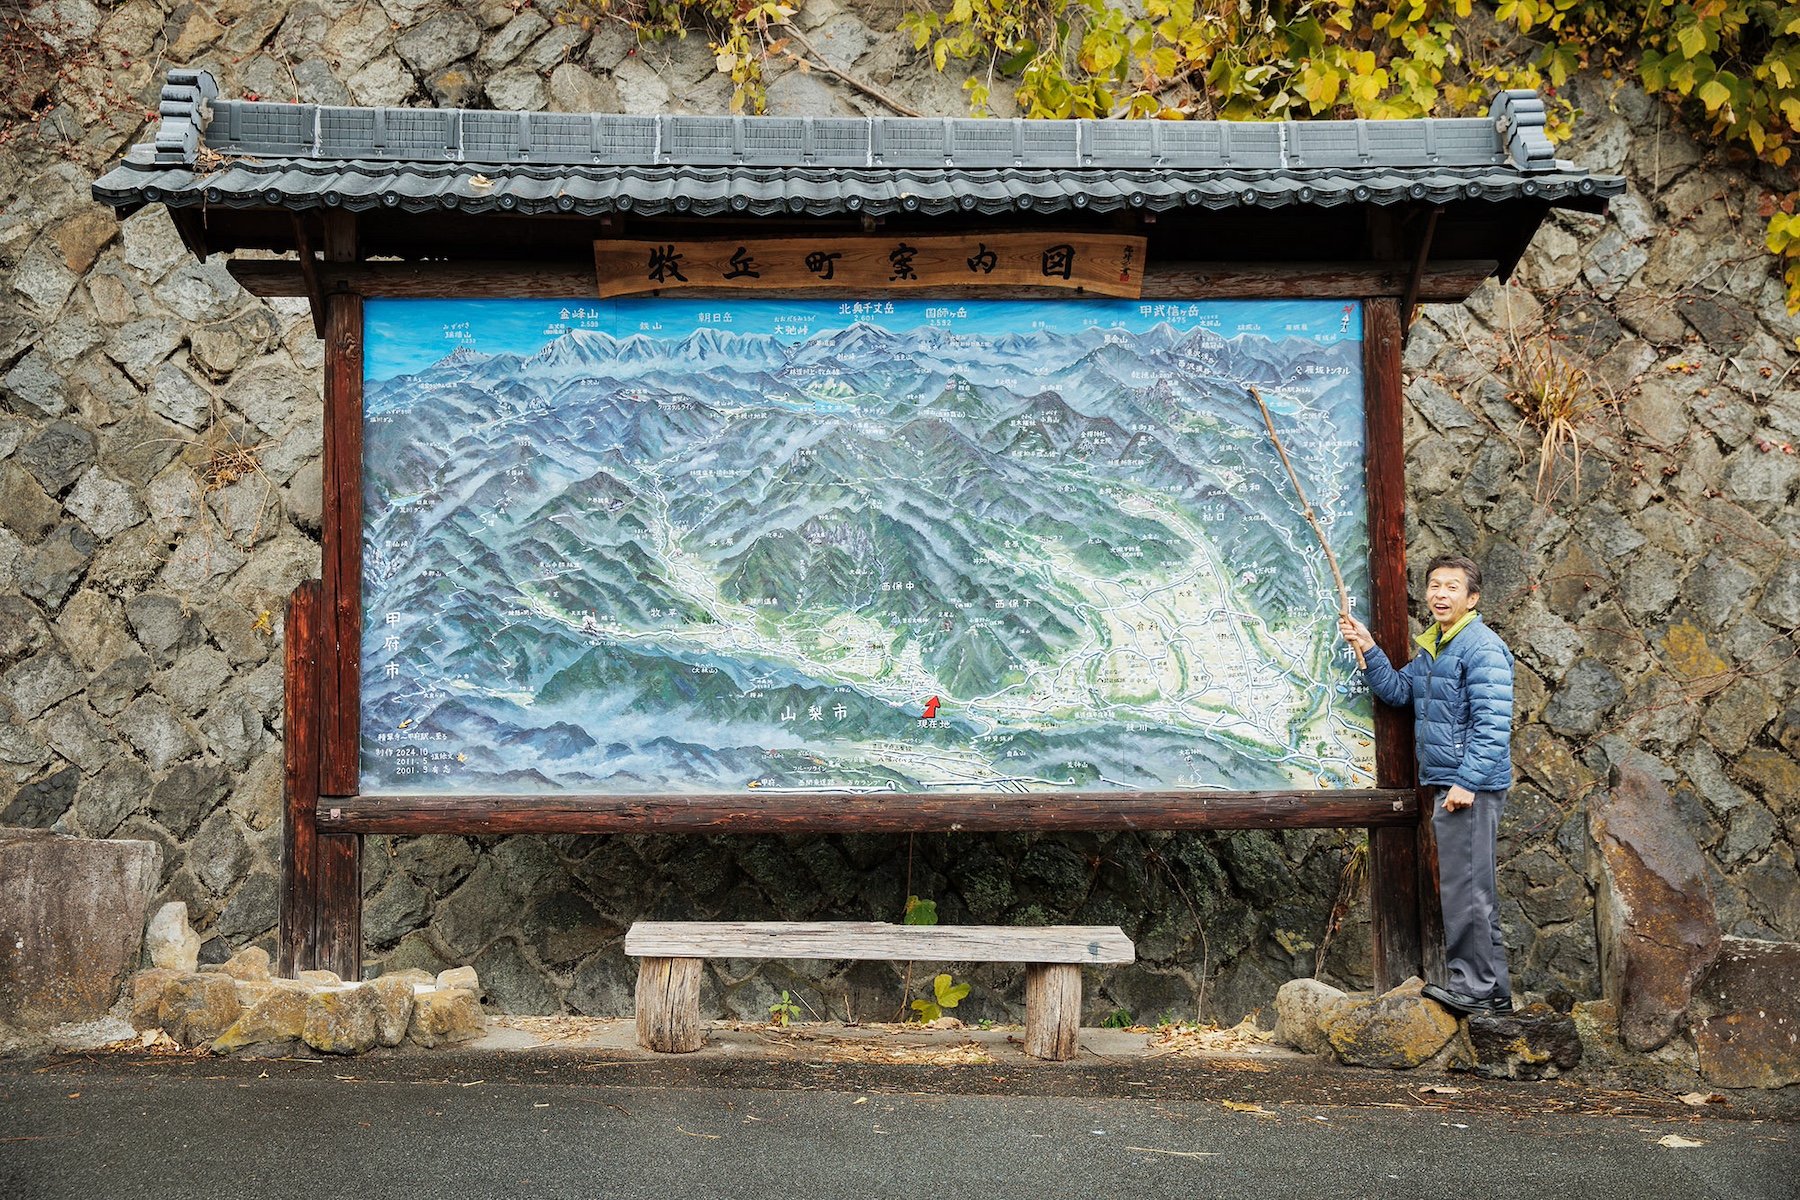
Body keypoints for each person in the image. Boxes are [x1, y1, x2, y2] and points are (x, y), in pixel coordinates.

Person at [1338, 553, 1516, 1015]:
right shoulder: (1437, 646)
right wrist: (1370, 648)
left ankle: (1478, 989)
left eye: (1452, 587)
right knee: (1466, 887)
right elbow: (1399, 692)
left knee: (1468, 888)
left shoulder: (1481, 648)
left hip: (1466, 790)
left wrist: (1466, 782)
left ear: (1472, 598)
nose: (1440, 594)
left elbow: (1493, 725)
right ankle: (1489, 991)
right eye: (1435, 585)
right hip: (1451, 785)